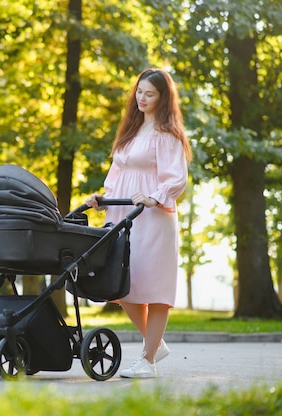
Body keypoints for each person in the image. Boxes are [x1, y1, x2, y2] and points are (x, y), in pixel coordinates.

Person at [86, 68, 192, 378]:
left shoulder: (167, 134)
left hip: (154, 216)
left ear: (163, 98)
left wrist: (155, 196)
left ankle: (147, 361)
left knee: (154, 288)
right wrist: (102, 197)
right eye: (139, 92)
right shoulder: (131, 131)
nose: (142, 98)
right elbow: (117, 173)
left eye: (150, 93)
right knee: (121, 283)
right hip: (122, 212)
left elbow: (177, 177)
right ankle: (155, 343)